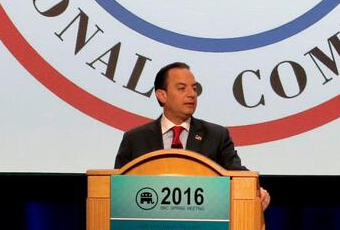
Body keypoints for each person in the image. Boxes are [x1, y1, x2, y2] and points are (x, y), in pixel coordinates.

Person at [115, 62, 270, 209]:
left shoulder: (216, 136)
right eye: (182, 88)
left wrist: (256, 190)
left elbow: (238, 174)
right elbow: (117, 190)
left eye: (194, 88)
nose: (192, 94)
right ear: (162, 95)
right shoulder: (134, 139)